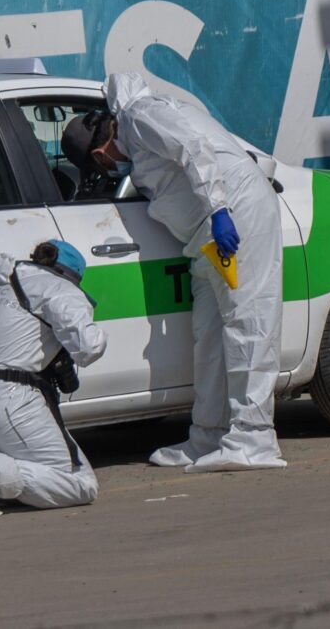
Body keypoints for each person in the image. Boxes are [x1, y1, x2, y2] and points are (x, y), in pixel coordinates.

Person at [61, 72, 285, 473]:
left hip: (235, 218)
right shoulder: (134, 132)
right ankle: (209, 434)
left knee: (248, 325)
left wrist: (219, 211)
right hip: (204, 239)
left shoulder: (141, 117)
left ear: (100, 153)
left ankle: (254, 438)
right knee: (211, 336)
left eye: (103, 165)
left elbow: (194, 148)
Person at [0, 240, 108, 518]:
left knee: (31, 455)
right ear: (72, 276)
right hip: (4, 402)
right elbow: (88, 349)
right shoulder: (58, 288)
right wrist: (100, 334)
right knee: (80, 483)